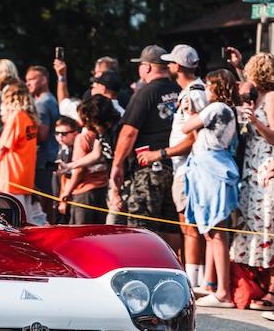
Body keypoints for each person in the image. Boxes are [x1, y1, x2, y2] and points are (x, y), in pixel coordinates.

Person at [140, 44, 208, 290]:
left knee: (189, 226)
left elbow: (193, 139)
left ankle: (194, 281)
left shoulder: (193, 94)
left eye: (170, 62)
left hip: (188, 167)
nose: (167, 66)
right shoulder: (193, 91)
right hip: (187, 167)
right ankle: (200, 278)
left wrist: (160, 154)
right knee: (191, 226)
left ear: (177, 66)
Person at [110, 45, 180, 249]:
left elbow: (129, 132)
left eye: (140, 64)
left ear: (147, 67)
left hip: (148, 168)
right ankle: (172, 263)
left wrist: (117, 164)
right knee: (170, 225)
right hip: (174, 165)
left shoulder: (145, 93)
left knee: (142, 224)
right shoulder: (178, 90)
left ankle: (146, 265)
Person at [182, 69, 241, 308]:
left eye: (208, 85)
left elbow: (186, 127)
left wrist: (190, 112)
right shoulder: (226, 110)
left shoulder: (216, 108)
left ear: (217, 87)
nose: (206, 89)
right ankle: (210, 284)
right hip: (210, 167)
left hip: (212, 170)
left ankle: (223, 292)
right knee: (210, 230)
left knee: (216, 230)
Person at [231, 53, 274, 314]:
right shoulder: (258, 95)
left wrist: (256, 122)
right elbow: (246, 87)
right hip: (252, 169)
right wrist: (237, 67)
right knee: (255, 228)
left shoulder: (272, 98)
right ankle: (259, 284)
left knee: (269, 227)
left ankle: (273, 289)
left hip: (267, 166)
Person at [0, 78, 45, 225]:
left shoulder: (17, 117)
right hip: (25, 175)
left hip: (11, 175)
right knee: (27, 218)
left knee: (13, 220)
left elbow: (2, 146)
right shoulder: (30, 118)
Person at [60, 95, 118, 224]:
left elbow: (119, 162)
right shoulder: (99, 133)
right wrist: (70, 166)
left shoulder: (117, 130)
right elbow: (96, 154)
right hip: (107, 186)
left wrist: (67, 191)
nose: (84, 123)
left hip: (116, 183)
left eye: (87, 119)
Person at [25, 65, 61, 217]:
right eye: (27, 80)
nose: (28, 83)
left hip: (43, 160)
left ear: (44, 80)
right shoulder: (51, 99)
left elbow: (42, 135)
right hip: (51, 156)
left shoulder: (41, 103)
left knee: (42, 202)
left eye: (32, 79)